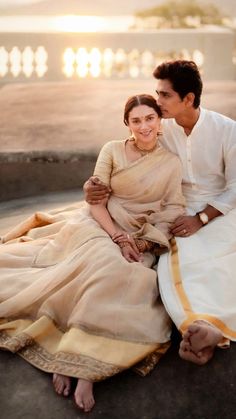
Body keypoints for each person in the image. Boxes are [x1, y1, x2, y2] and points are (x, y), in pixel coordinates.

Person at [0, 94, 185, 412]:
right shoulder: (112, 150)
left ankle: (83, 364)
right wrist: (118, 236)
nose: (144, 126)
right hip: (100, 224)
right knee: (104, 262)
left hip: (140, 236)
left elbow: (172, 210)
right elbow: (95, 200)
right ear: (127, 123)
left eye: (150, 119)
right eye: (136, 120)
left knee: (133, 276)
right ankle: (70, 356)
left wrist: (140, 244)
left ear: (160, 121)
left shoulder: (170, 162)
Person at [84, 60, 236, 366]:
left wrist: (202, 218)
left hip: (218, 208)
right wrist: (92, 186)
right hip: (174, 209)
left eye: (165, 95)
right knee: (181, 265)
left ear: (188, 99)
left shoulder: (227, 130)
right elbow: (127, 157)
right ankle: (197, 325)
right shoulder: (160, 130)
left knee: (226, 257)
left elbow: (235, 185)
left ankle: (215, 326)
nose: (158, 101)